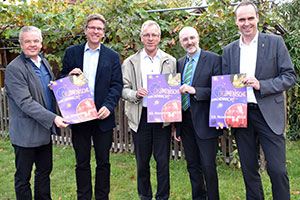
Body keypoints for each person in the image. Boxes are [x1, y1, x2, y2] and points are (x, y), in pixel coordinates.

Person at [222, 2, 297, 199]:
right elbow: (225, 85)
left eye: (250, 18)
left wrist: (261, 85)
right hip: (241, 115)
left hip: (269, 113)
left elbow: (289, 76)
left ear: (257, 19)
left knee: (277, 170)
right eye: (242, 19)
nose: (246, 23)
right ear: (236, 22)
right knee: (248, 170)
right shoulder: (229, 50)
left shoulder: (274, 42)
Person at [60, 14, 123, 200]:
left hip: (102, 117)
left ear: (103, 33)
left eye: (100, 29)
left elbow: (116, 85)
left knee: (103, 162)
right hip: (80, 117)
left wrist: (109, 106)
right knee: (82, 162)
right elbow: (62, 79)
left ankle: (102, 197)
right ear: (86, 30)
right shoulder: (72, 53)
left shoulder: (112, 56)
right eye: (92, 28)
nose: (96, 31)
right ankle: (84, 196)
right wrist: (68, 76)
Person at [4, 26, 69, 200]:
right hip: (25, 134)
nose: (32, 44)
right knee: (23, 178)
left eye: (36, 41)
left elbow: (49, 88)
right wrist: (54, 118)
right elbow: (25, 102)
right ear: (21, 44)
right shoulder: (14, 69)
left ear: (41, 43)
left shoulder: (43, 62)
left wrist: (71, 81)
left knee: (44, 173)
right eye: (28, 41)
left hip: (43, 131)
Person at [121, 20, 176, 200]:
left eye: (154, 35)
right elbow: (123, 89)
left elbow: (174, 88)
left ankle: (162, 196)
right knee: (142, 163)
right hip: (141, 116)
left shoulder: (170, 61)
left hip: (162, 117)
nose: (150, 38)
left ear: (160, 38)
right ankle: (145, 196)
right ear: (141, 38)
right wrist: (135, 94)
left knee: (163, 162)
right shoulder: (130, 62)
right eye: (147, 35)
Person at [175, 26, 222, 200]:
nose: (189, 42)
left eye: (192, 38)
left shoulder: (214, 60)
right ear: (181, 43)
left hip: (206, 120)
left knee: (208, 166)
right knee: (192, 165)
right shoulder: (179, 63)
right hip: (186, 121)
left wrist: (195, 90)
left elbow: (220, 91)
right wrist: (177, 127)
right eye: (185, 39)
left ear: (198, 38)